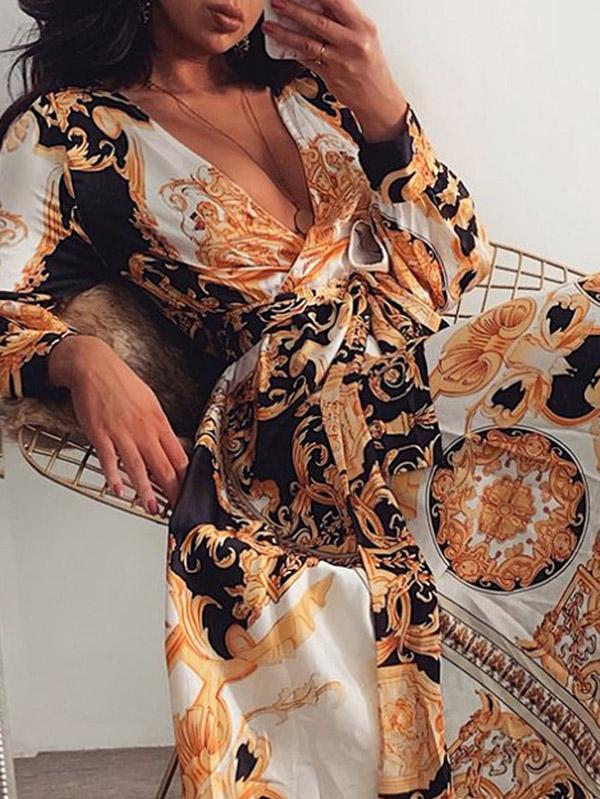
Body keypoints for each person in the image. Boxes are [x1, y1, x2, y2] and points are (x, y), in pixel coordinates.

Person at [2, 2, 598, 798]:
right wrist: (80, 357)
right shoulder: (66, 132)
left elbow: (456, 262)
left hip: (423, 371)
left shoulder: (309, 90)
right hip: (294, 427)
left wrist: (381, 103)